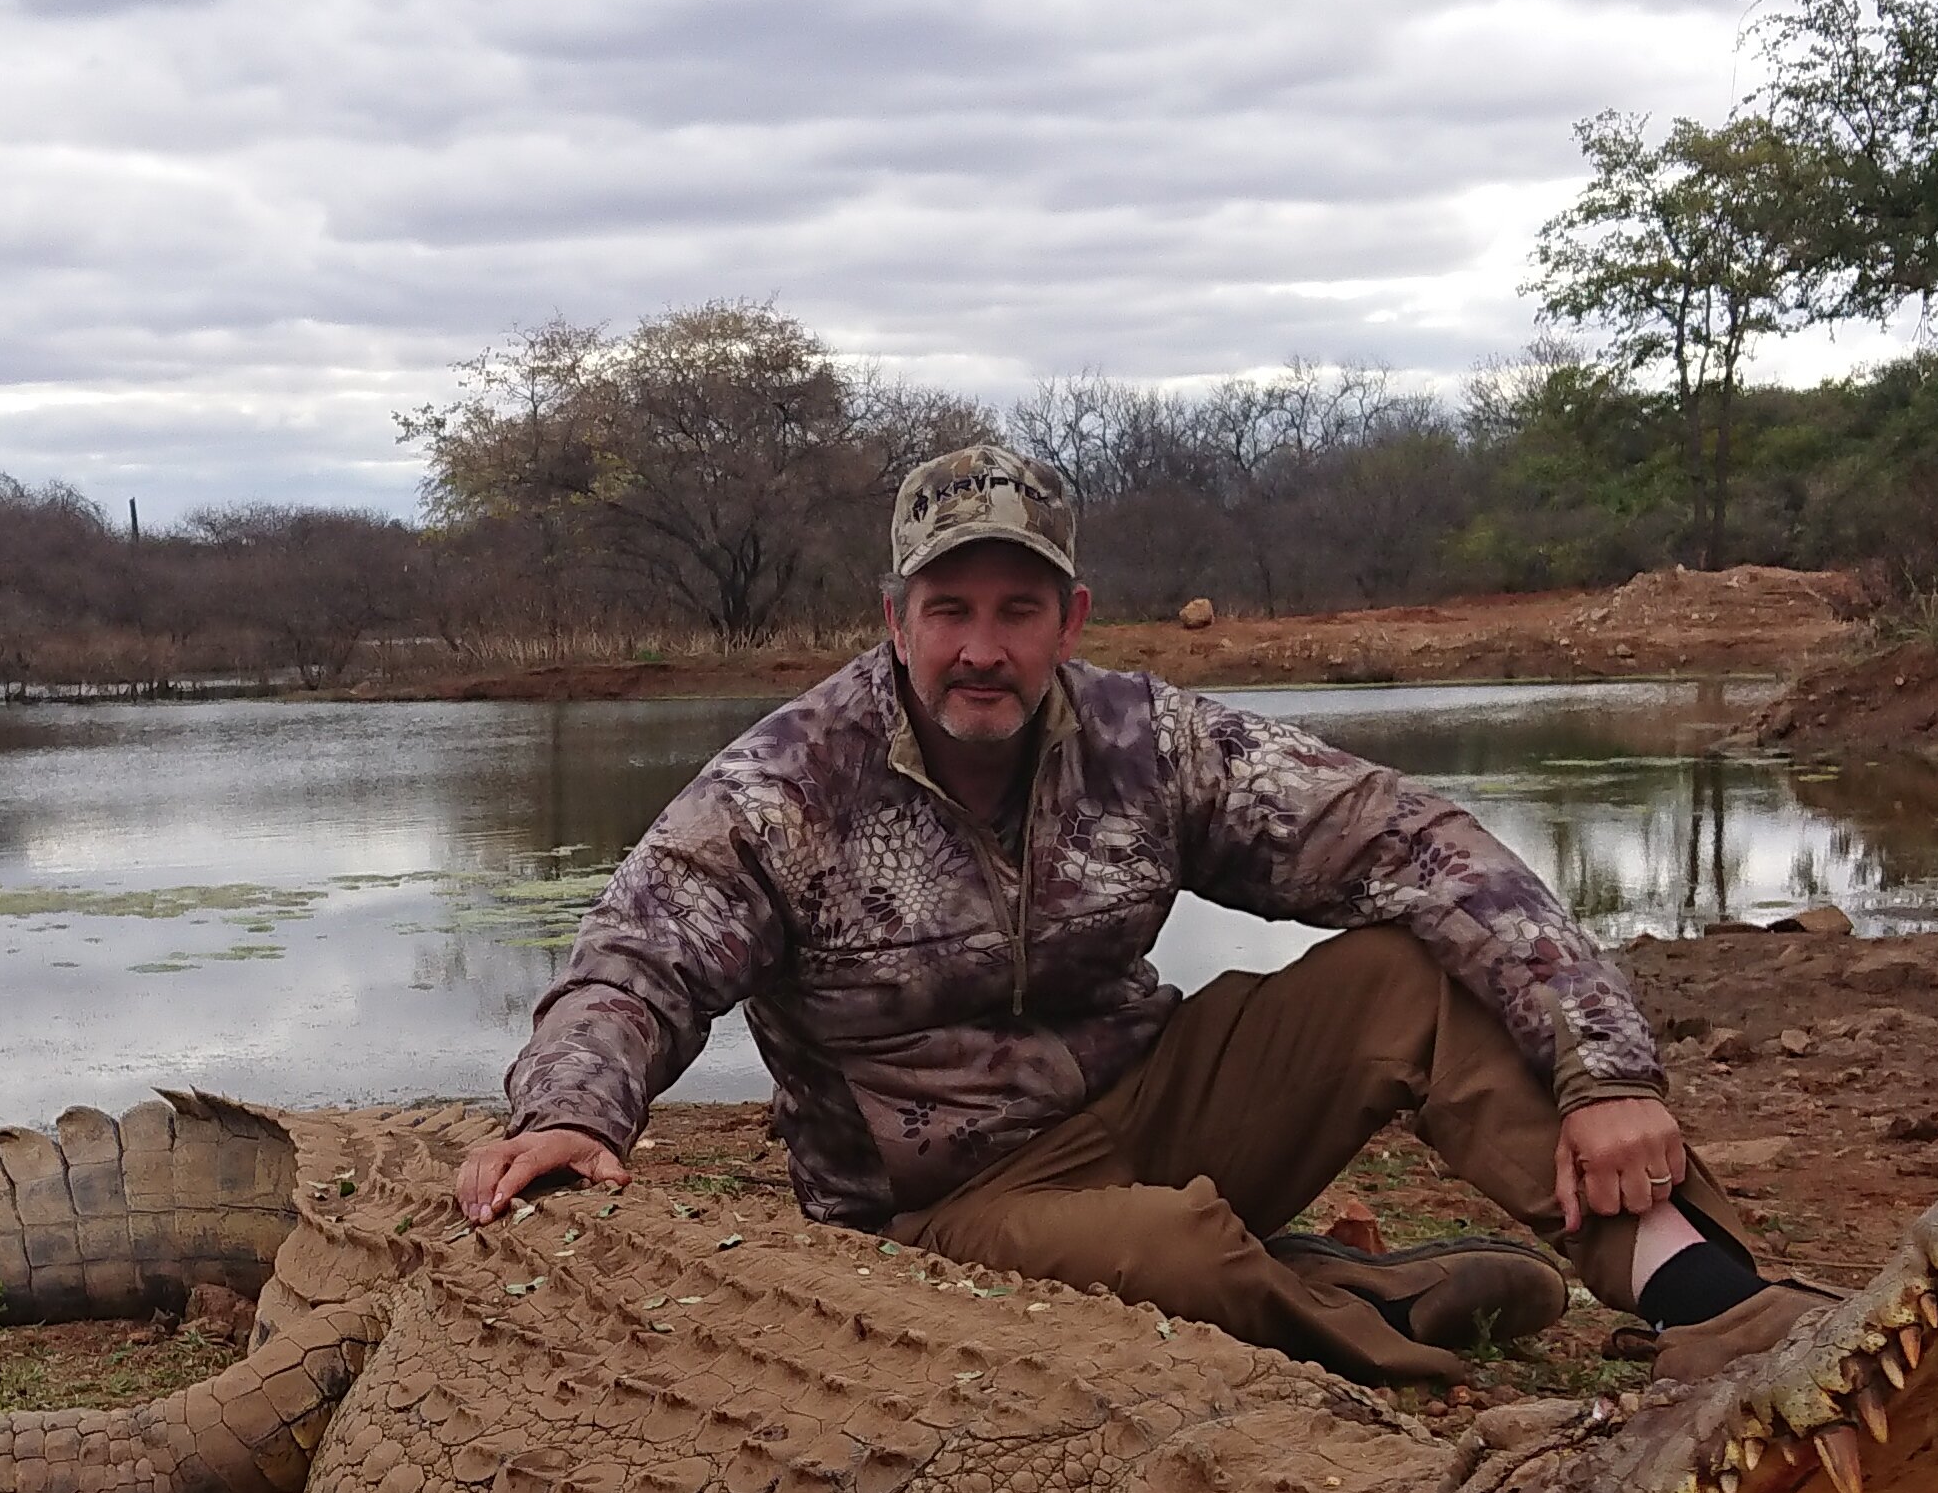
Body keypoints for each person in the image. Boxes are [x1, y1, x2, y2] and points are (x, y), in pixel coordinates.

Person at [450, 441, 1793, 1390]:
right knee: (1174, 1259)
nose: (984, 646)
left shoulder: (1149, 739)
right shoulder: (783, 785)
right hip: (944, 1205)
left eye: (1019, 610)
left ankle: (1708, 1301)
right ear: (895, 617)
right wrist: (571, 1112)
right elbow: (636, 960)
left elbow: (1410, 837)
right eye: (951, 609)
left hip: (1151, 1104)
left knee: (1408, 976)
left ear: (1070, 616)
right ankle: (1369, 1308)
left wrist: (1606, 1064)